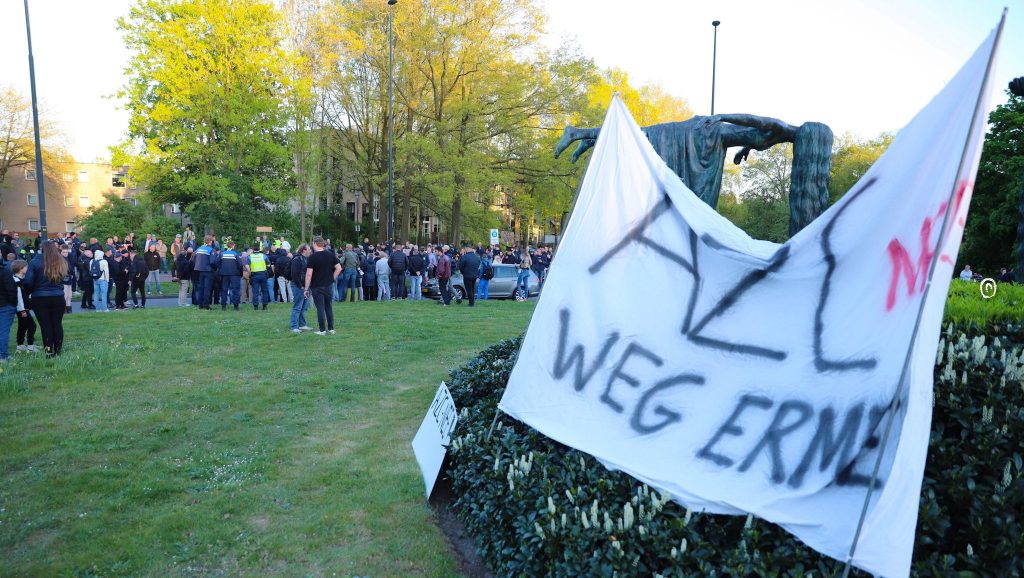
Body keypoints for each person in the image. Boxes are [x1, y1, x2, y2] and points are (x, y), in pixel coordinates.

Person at [23, 241, 69, 357]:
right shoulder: (61, 261)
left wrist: (29, 292)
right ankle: (57, 350)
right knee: (57, 324)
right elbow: (65, 277)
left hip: (40, 297)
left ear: (41, 249)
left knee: (45, 325)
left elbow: (28, 281)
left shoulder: (35, 262)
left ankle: (49, 351)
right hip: (58, 296)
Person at [303, 236, 341, 335]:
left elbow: (309, 274)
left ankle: (322, 330)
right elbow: (339, 268)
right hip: (328, 285)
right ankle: (331, 329)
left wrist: (306, 288)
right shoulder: (330, 254)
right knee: (329, 306)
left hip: (317, 286)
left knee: (320, 308)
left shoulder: (312, 257)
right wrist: (332, 279)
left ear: (315, 244)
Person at [12, 260, 38, 352]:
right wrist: (22, 310)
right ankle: (30, 346)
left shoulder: (21, 279)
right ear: (20, 269)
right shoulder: (16, 281)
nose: (27, 269)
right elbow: (19, 297)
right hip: (22, 308)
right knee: (32, 326)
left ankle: (20, 345)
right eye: (26, 267)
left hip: (23, 307)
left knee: (22, 326)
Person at [289, 244, 312, 333]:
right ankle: (294, 326)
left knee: (304, 307)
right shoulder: (296, 259)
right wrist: (301, 286)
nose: (310, 251)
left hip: (306, 286)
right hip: (298, 286)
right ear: (304, 250)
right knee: (297, 307)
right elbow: (294, 274)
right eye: (309, 249)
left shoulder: (307, 259)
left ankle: (302, 325)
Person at [216, 241, 243, 310]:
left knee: (224, 290)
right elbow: (240, 265)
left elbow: (217, 262)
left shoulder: (222, 253)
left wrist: (221, 270)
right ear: (233, 246)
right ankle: (236, 306)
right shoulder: (235, 253)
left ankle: (223, 306)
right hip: (234, 274)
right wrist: (240, 273)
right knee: (235, 290)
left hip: (224, 274)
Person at [0, 259, 18, 361]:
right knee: (3, 331)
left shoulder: (5, 270)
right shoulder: (5, 271)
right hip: (5, 305)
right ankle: (2, 356)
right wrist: (13, 303)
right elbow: (11, 289)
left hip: (5, 304)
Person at [193, 235, 215, 309]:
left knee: (201, 288)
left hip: (199, 270)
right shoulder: (211, 249)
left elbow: (193, 258)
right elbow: (213, 262)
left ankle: (200, 305)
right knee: (207, 288)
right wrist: (214, 269)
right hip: (208, 270)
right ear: (210, 241)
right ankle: (206, 305)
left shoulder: (199, 249)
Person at [249, 245, 271, 310]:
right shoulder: (263, 256)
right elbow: (268, 265)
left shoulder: (250, 256)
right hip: (263, 274)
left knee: (255, 291)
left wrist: (250, 271)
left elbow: (247, 265)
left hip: (254, 275)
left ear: (253, 249)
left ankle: (256, 306)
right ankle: (265, 306)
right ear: (259, 249)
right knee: (264, 291)